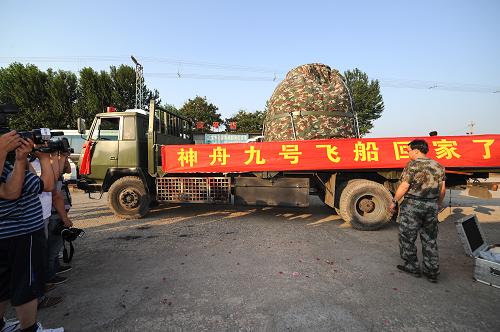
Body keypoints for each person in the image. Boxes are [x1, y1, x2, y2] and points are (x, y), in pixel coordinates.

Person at [0, 131, 63, 332]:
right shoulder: (12, 172)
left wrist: (22, 159)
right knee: (26, 285)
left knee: (3, 286)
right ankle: (30, 329)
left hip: (7, 236)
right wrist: (41, 158)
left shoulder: (6, 169)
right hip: (23, 235)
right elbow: (46, 184)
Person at [389, 139, 446, 283]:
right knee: (429, 239)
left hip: (413, 206)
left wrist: (394, 201)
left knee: (407, 237)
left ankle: (412, 266)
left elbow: (404, 186)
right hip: (431, 206)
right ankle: (432, 271)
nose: (408, 154)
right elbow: (442, 190)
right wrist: (437, 205)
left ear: (416, 151)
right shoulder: (438, 166)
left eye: (408, 151)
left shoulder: (412, 165)